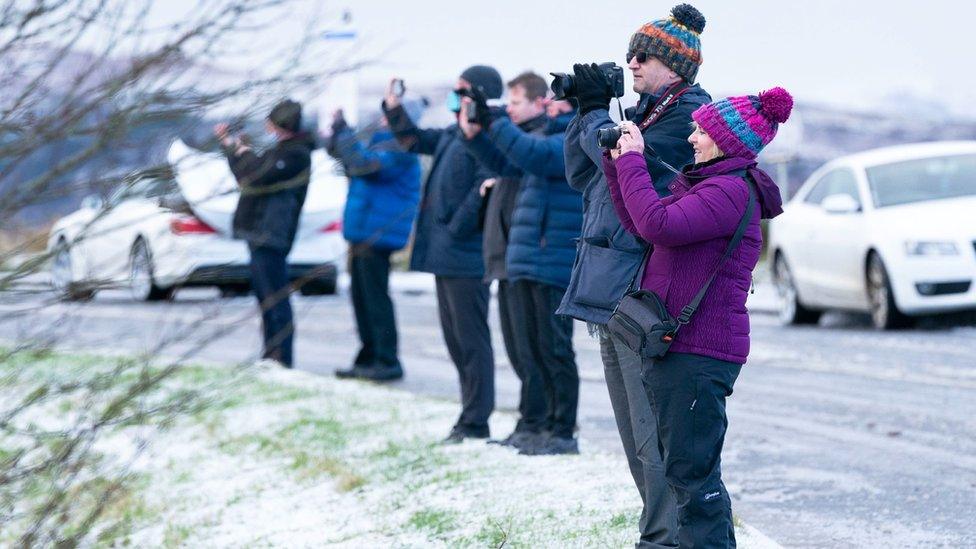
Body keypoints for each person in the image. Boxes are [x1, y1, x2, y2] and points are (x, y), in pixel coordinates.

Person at [603, 88, 791, 548]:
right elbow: (643, 225)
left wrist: (633, 161)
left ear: (726, 140)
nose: (692, 136)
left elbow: (657, 225)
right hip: (682, 347)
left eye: (702, 130)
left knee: (693, 476)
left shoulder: (727, 191)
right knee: (690, 471)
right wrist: (616, 164)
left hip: (698, 350)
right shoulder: (711, 186)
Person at [557, 4, 711, 546]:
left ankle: (664, 538)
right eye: (630, 54)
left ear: (676, 66)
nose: (633, 63)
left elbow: (625, 167)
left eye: (642, 56)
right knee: (631, 434)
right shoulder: (643, 112)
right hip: (611, 283)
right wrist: (585, 111)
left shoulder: (687, 117)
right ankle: (660, 532)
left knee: (651, 435)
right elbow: (580, 172)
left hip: (643, 290)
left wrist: (601, 116)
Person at [459, 72, 583, 455]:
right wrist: (477, 135)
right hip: (530, 256)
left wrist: (494, 121)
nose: (549, 102)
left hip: (554, 258)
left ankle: (561, 431)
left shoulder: (575, 138)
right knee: (531, 348)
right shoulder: (547, 135)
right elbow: (509, 163)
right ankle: (538, 425)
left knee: (554, 349)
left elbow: (534, 156)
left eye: (558, 98)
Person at [381, 66, 502, 444]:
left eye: (460, 91)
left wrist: (455, 226)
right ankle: (468, 413)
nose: (454, 96)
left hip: (465, 253)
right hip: (445, 253)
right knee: (455, 340)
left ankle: (476, 420)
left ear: (478, 94)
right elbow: (412, 139)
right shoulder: (454, 131)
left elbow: (485, 188)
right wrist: (394, 107)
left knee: (471, 341)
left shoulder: (488, 133)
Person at [215, 99, 314, 368]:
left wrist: (237, 150)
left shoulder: (295, 155)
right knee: (265, 297)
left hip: (272, 233)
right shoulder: (282, 151)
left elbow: (253, 175)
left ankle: (281, 356)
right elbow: (250, 173)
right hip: (261, 232)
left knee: (275, 297)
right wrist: (235, 149)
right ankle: (271, 354)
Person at [325, 106, 422, 382]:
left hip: (378, 233)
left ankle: (386, 359)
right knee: (362, 298)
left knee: (376, 299)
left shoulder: (400, 149)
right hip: (364, 232)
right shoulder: (381, 144)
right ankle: (369, 356)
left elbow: (361, 164)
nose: (382, 118)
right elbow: (349, 158)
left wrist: (345, 133)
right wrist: (338, 134)